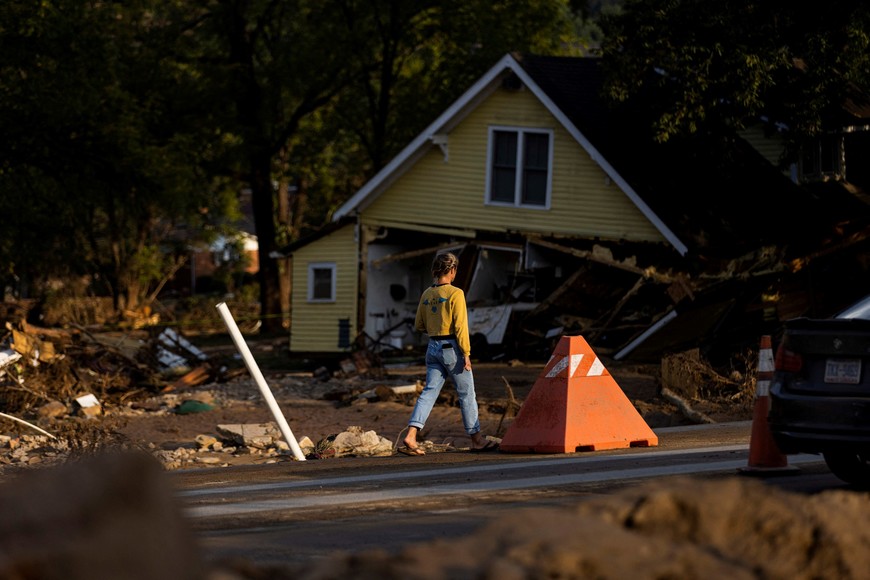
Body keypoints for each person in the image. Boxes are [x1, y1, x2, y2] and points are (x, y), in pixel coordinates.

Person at [400, 252, 499, 455]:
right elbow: (461, 327)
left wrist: (435, 328)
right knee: (466, 394)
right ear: (452, 270)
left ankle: (411, 435)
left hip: (432, 347)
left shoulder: (427, 294)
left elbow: (419, 325)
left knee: (429, 392)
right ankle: (476, 439)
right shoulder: (456, 293)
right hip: (452, 348)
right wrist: (467, 354)